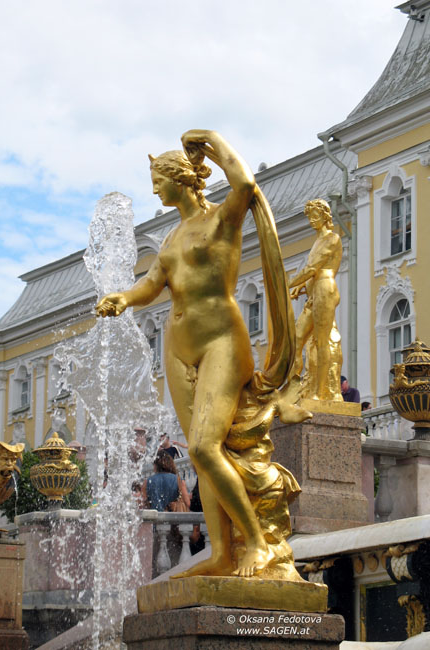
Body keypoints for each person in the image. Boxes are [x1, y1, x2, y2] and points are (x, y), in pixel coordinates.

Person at [96, 130, 295, 578]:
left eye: (158, 179)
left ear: (180, 178)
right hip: (179, 352)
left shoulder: (222, 219)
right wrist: (124, 298)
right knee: (203, 453)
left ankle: (258, 544)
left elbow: (245, 186)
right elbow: (152, 285)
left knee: (204, 448)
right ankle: (222, 553)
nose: (153, 189)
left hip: (223, 342)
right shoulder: (169, 241)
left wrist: (212, 141)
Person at [289, 199, 343, 401]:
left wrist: (288, 284)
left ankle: (320, 393)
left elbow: (313, 269)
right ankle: (296, 388)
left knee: (322, 341)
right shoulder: (317, 242)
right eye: (309, 216)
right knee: (296, 338)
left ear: (325, 216)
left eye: (315, 215)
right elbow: (313, 273)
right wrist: (301, 288)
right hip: (314, 294)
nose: (312, 220)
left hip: (325, 291)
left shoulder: (332, 239)